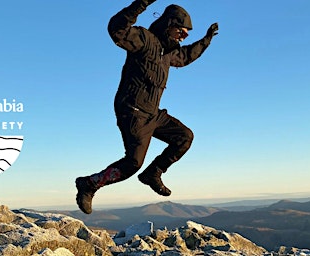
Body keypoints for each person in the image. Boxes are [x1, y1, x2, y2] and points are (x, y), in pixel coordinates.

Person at [75, 0, 219, 214]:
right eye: (181, 31)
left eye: (186, 33)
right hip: (132, 111)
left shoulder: (168, 53)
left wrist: (205, 40)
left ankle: (153, 172)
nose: (184, 36)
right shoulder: (144, 39)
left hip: (153, 113)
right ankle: (88, 184)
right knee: (133, 162)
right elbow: (118, 30)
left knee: (184, 137)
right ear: (168, 24)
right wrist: (141, 3)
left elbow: (187, 56)